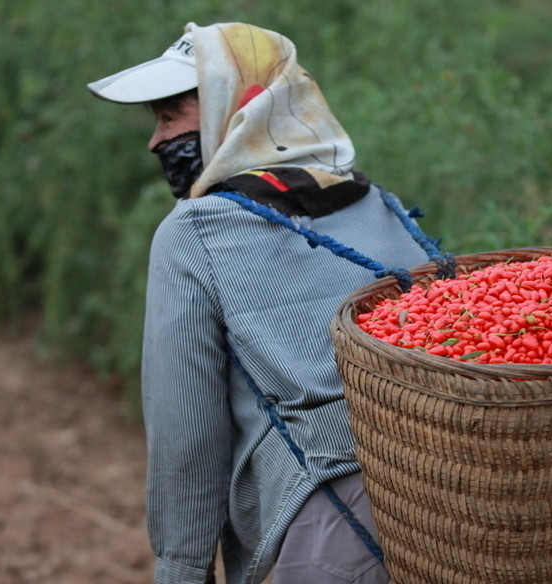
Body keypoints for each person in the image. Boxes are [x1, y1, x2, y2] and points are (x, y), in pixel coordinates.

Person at [87, 21, 439, 584]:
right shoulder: (380, 205)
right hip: (450, 500)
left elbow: (187, 432)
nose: (155, 141)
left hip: (333, 530)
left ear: (239, 107)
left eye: (168, 117)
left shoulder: (193, 233)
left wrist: (181, 568)